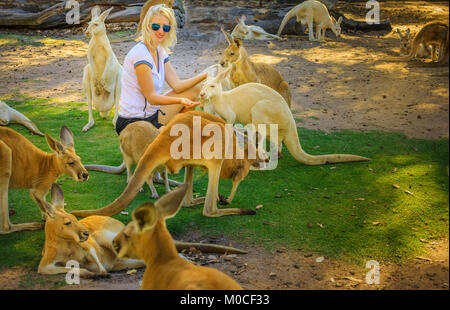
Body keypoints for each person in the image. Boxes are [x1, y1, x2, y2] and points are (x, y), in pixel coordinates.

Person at [116, 4, 207, 135]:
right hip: (133, 121)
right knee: (170, 144)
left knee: (195, 90)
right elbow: (152, 97)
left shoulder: (160, 50)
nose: (161, 31)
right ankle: (170, 132)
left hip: (153, 115)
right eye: (155, 26)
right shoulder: (140, 54)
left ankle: (175, 130)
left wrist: (205, 76)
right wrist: (180, 101)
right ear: (147, 26)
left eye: (165, 27)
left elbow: (177, 85)